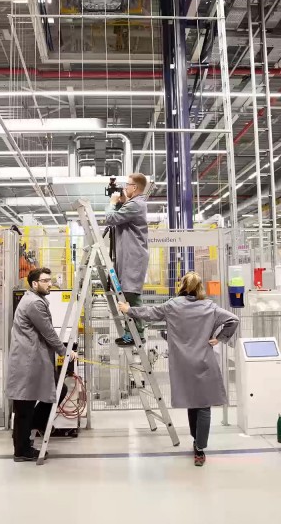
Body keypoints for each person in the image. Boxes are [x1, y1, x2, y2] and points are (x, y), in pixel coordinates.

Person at [119, 271, 239, 467]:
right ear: (200, 288)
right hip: (204, 361)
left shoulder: (173, 306)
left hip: (182, 364)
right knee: (203, 405)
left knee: (193, 402)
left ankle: (196, 439)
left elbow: (149, 313)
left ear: (181, 286)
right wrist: (220, 338)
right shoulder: (210, 307)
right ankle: (199, 447)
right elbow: (233, 320)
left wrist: (128, 309)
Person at [6, 267, 77, 462]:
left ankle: (33, 428)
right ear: (34, 284)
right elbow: (47, 332)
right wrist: (65, 352)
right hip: (27, 360)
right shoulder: (34, 304)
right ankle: (22, 450)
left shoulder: (35, 300)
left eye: (50, 280)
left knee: (53, 391)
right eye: (45, 280)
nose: (50, 283)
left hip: (33, 358)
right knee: (24, 405)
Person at [105, 172, 150, 347]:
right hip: (129, 255)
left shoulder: (136, 205)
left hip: (134, 256)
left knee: (132, 293)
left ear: (135, 188)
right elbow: (118, 219)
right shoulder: (132, 204)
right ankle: (129, 332)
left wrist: (112, 202)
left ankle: (138, 333)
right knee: (127, 294)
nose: (125, 188)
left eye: (127, 185)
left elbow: (110, 218)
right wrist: (120, 203)